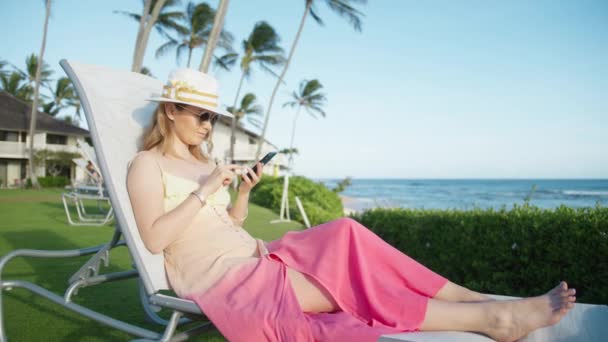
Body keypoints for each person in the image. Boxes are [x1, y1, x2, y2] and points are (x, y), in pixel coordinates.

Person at [126, 68, 576, 342]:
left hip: (259, 256)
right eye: (201, 116)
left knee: (347, 231)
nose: (209, 125)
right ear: (170, 110)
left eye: (213, 117)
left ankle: (476, 298)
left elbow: (228, 225)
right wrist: (204, 190)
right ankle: (495, 317)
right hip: (229, 282)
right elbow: (155, 236)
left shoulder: (202, 162)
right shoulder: (147, 166)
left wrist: (240, 195)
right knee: (355, 288)